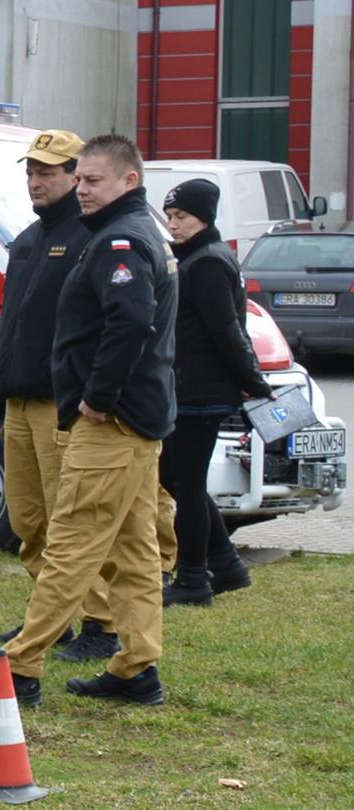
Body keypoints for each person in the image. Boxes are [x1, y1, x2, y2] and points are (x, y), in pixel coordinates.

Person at [0, 134, 176, 705]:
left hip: (113, 424)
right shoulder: (126, 234)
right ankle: (136, 668)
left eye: (93, 180)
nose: (83, 189)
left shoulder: (121, 238)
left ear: (129, 180)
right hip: (135, 422)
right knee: (135, 549)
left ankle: (21, 669)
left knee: (70, 543)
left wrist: (97, 398)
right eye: (83, 179)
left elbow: (129, 325)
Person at [0, 129, 121, 660]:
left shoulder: (90, 239)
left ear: (74, 176)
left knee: (74, 521)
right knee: (29, 519)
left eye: (48, 172)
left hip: (61, 406)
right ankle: (50, 617)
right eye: (31, 172)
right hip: (19, 399)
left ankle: (100, 624)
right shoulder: (28, 240)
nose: (36, 181)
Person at [159, 178, 272, 606]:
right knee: (174, 477)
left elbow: (227, 331)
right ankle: (224, 564)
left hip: (200, 392)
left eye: (182, 217)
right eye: (170, 216)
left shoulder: (207, 261)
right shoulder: (198, 256)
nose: (174, 225)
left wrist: (254, 382)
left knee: (185, 483)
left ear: (205, 217)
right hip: (190, 388)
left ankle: (193, 578)